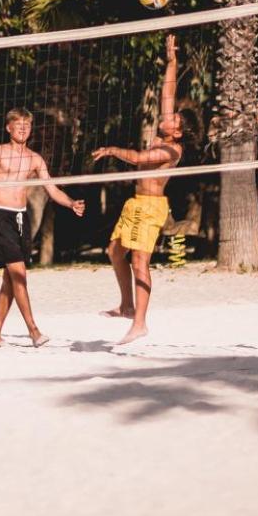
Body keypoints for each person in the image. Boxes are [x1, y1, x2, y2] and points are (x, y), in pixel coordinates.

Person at [93, 33, 182, 346]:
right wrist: (171, 61)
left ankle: (140, 323)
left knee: (140, 262)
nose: (167, 117)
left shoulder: (172, 151)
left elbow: (140, 159)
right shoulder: (163, 132)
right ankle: (127, 306)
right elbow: (167, 95)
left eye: (173, 119)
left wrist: (113, 150)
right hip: (135, 204)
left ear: (178, 130)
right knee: (115, 251)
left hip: (152, 208)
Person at [0, 107, 85, 348]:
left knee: (10, 280)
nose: (23, 128)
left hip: (21, 218)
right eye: (18, 124)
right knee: (19, 275)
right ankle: (34, 330)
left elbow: (51, 188)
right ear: (8, 128)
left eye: (27, 124)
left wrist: (70, 203)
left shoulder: (34, 158)